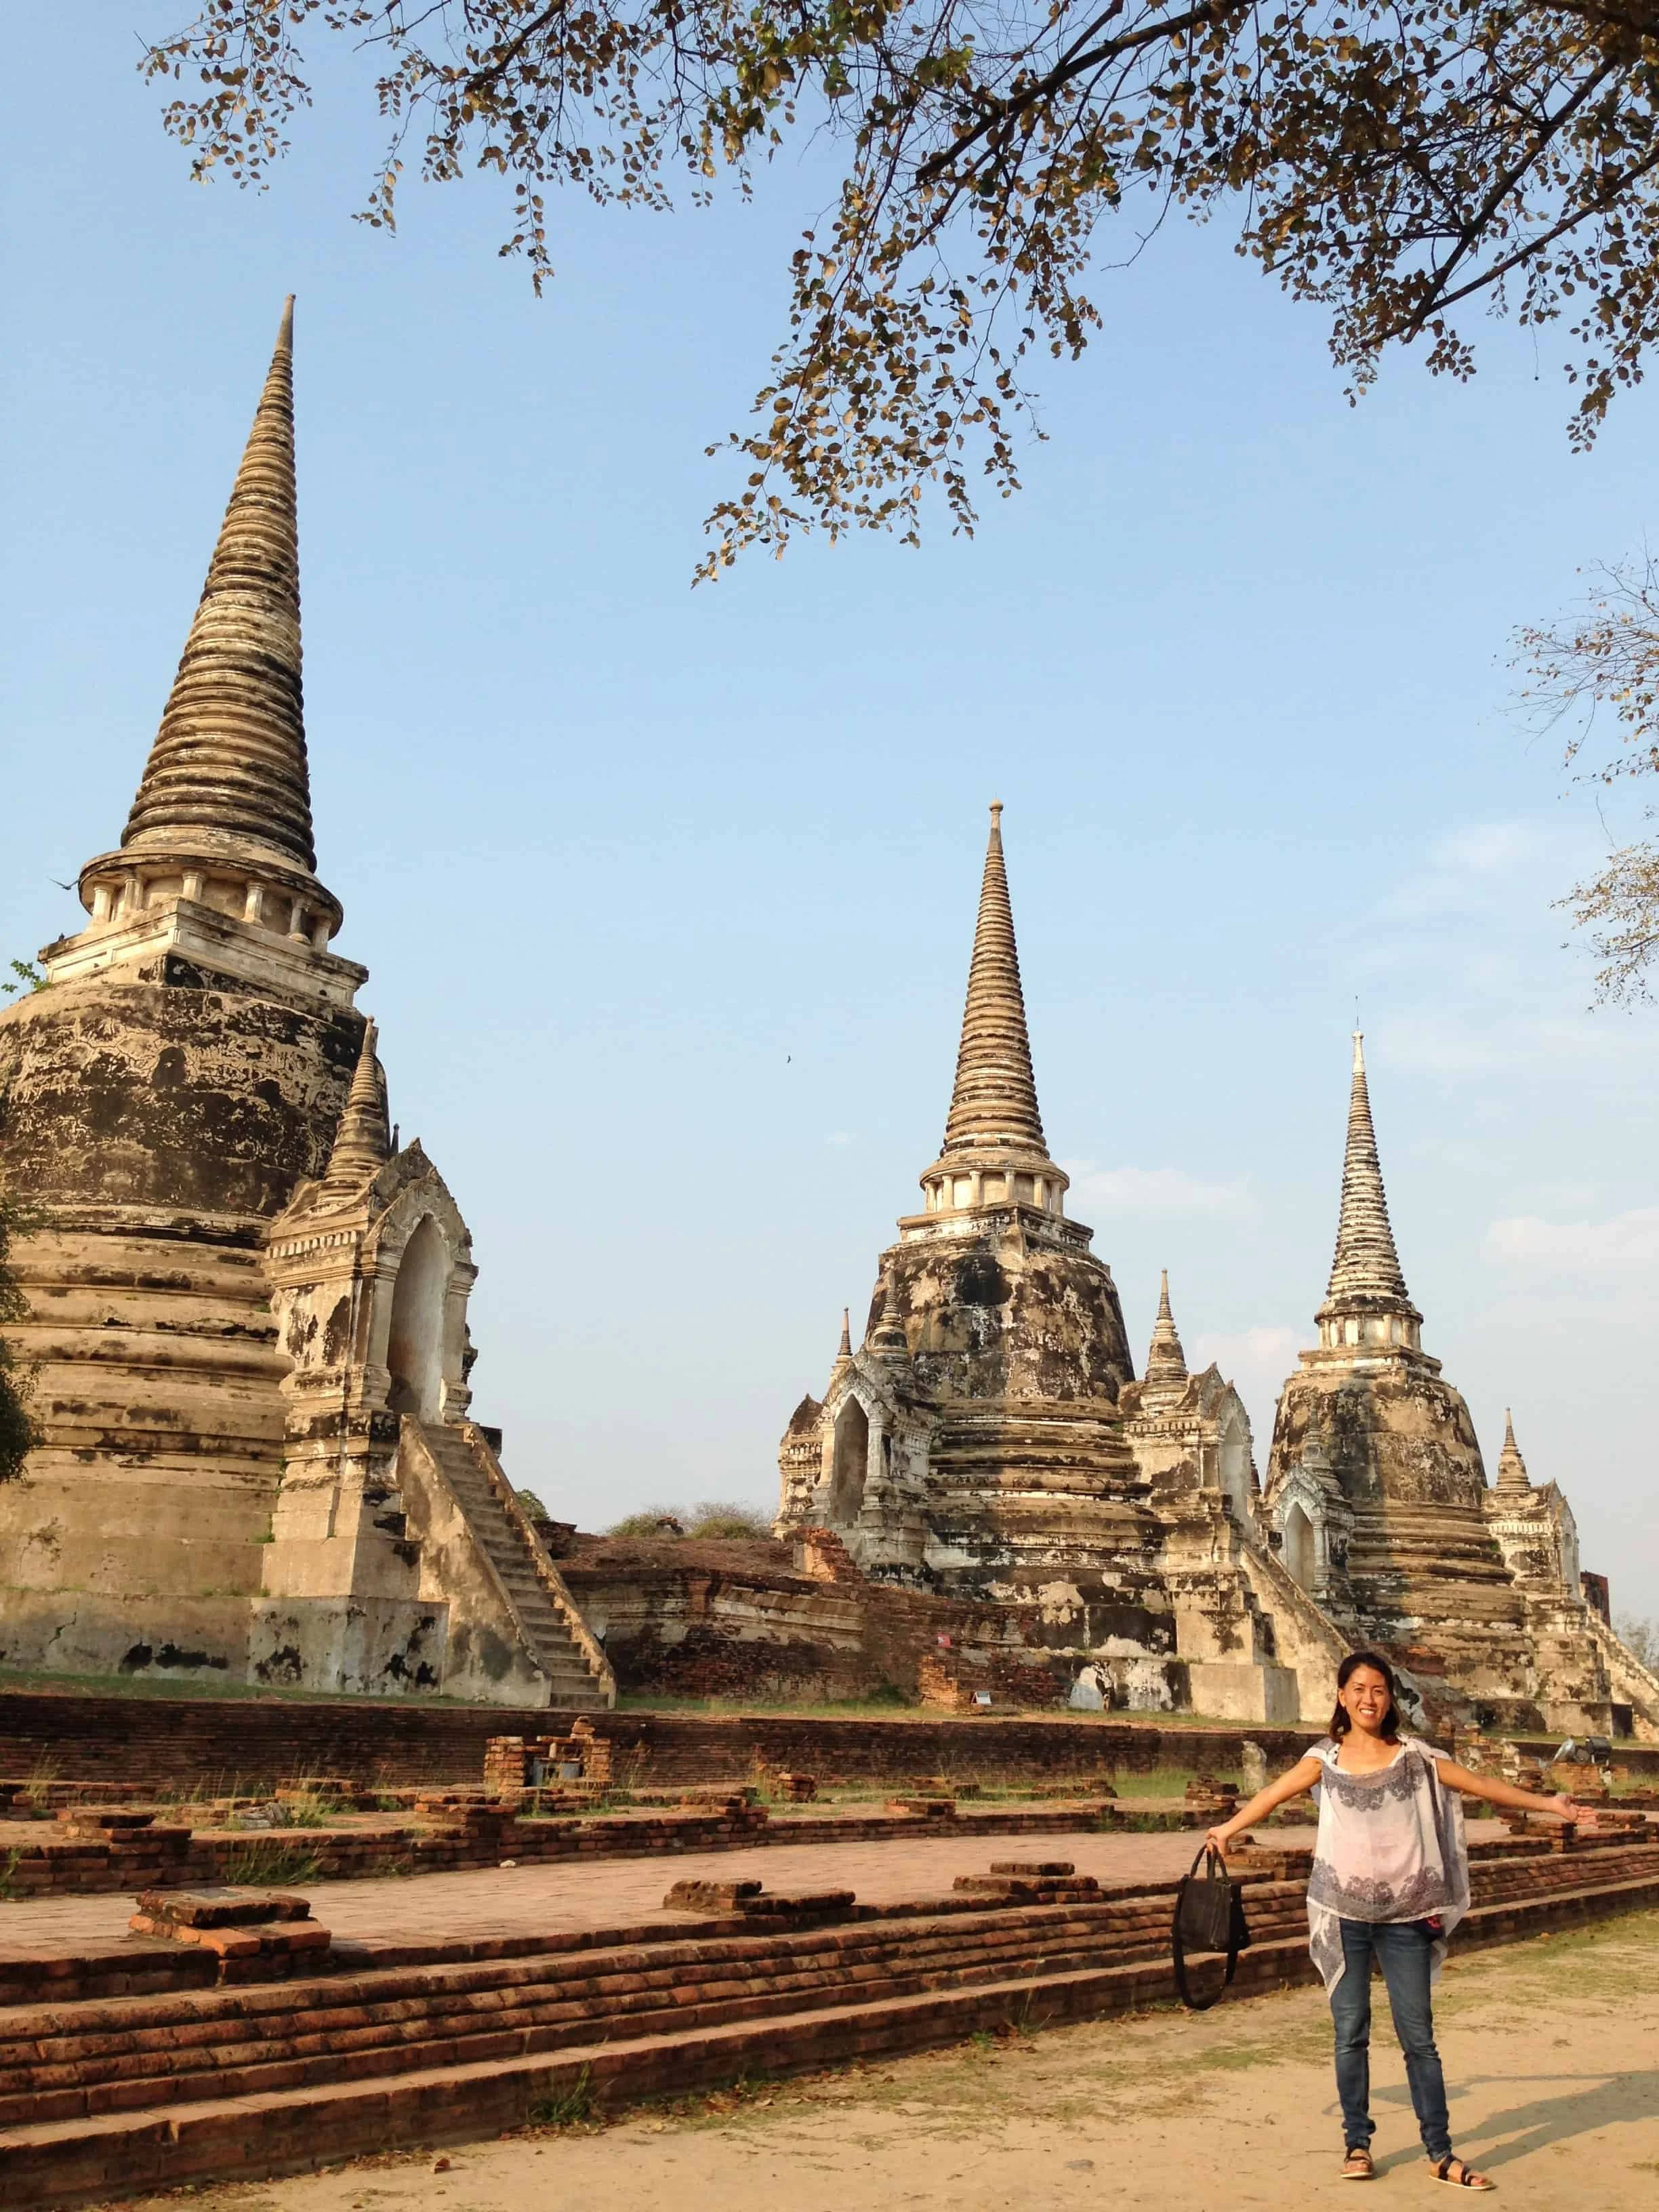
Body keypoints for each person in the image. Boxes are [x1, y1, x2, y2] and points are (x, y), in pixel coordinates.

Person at [1204, 1651, 1589, 2188]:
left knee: (1419, 2039)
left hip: (1407, 1915)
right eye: (1358, 1689)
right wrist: (1227, 1828)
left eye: (1379, 1689)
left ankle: (1440, 2152)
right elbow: (1272, 1794)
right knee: (1350, 2034)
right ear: (1342, 1696)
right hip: (1343, 1914)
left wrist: (1551, 1805)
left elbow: (1479, 1785)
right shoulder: (1325, 1758)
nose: (1369, 1698)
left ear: (1390, 1699)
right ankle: (1356, 2145)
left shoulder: (1416, 1757)